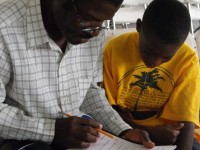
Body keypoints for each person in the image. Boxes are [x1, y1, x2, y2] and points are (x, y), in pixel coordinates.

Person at [0, 0, 156, 150]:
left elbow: (89, 90)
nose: (95, 32)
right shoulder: (5, 28)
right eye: (88, 20)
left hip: (75, 138)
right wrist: (52, 131)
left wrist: (122, 131)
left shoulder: (93, 32)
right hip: (18, 140)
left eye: (102, 23)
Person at [103, 0, 200, 150]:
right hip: (123, 131)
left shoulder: (187, 59)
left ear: (180, 46)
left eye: (167, 58)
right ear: (139, 27)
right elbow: (108, 110)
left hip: (170, 137)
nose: (154, 62)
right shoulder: (114, 50)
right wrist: (150, 132)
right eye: (148, 51)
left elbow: (186, 121)